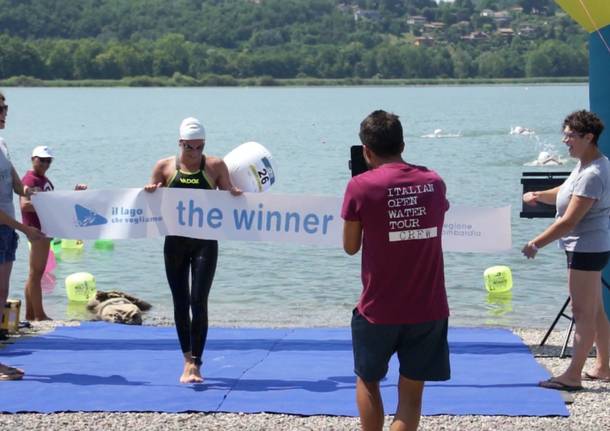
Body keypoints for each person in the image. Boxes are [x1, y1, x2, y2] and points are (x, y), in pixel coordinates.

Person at [341, 110, 450, 431]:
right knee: (412, 394)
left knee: (368, 381)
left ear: (366, 151)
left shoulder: (360, 187)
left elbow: (350, 247)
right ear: (403, 144)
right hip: (428, 307)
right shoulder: (433, 182)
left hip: (378, 308)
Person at [144, 117, 241, 384]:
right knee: (180, 301)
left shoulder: (215, 165)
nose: (195, 153)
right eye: (190, 148)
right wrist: (151, 191)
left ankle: (196, 363)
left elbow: (228, 197)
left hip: (205, 243)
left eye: (200, 147)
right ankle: (186, 358)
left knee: (199, 301)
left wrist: (234, 192)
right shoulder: (164, 167)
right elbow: (148, 206)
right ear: (180, 143)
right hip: (174, 243)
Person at [523, 109, 610, 391]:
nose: (565, 140)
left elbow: (570, 220)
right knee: (595, 311)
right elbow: (564, 191)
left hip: (585, 248)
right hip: (590, 247)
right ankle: (603, 367)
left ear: (589, 137)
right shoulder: (585, 164)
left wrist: (536, 243)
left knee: (582, 313)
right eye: (565, 135)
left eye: (571, 135)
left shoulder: (593, 173)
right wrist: (539, 195)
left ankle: (573, 375)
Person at [0, 91, 45, 380]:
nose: (5, 111)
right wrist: (23, 228)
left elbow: (15, 182)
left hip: (5, 230)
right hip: (5, 227)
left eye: (5, 106)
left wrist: (29, 191)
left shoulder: (1, 144)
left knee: (2, 295)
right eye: (0, 107)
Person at [19, 145, 87, 321]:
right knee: (36, 274)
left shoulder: (43, 180)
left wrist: (75, 194)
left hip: (45, 231)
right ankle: (40, 315)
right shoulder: (30, 179)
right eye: (41, 159)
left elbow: (55, 203)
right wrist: (48, 206)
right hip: (37, 232)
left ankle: (30, 314)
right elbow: (24, 204)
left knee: (34, 274)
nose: (45, 163)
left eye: (48, 160)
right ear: (32, 158)